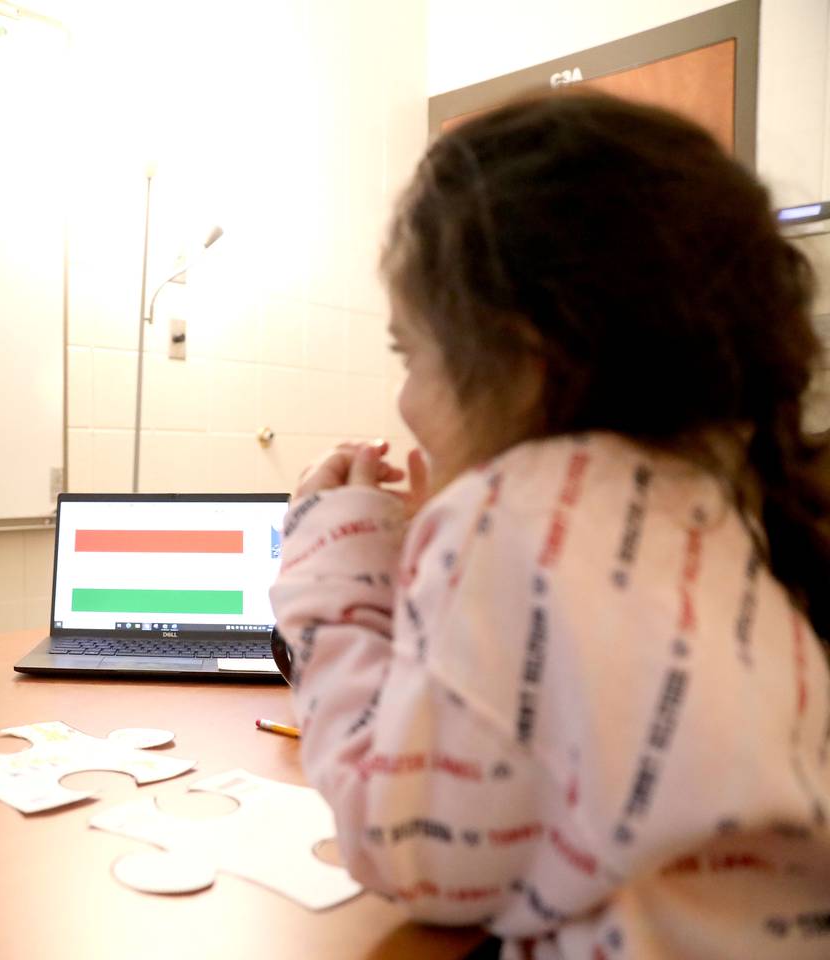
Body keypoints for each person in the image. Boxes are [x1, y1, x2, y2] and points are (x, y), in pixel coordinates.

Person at [271, 92, 830, 959]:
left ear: (526, 360)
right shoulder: (724, 500)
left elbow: (413, 856)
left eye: (407, 353)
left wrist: (328, 562)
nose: (404, 399)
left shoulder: (509, 515)